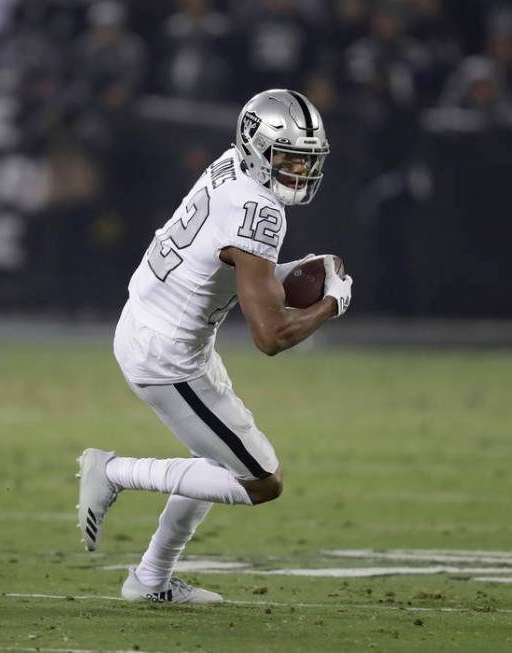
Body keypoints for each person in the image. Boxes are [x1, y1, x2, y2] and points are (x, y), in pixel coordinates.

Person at [76, 89, 352, 603]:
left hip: (156, 323)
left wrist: (290, 273)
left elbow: (228, 266)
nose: (298, 169)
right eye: (288, 155)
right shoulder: (260, 210)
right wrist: (331, 304)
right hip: (167, 354)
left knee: (214, 456)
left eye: (306, 159)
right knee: (261, 480)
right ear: (257, 147)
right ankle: (113, 472)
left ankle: (150, 581)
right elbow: (269, 336)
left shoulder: (230, 166)